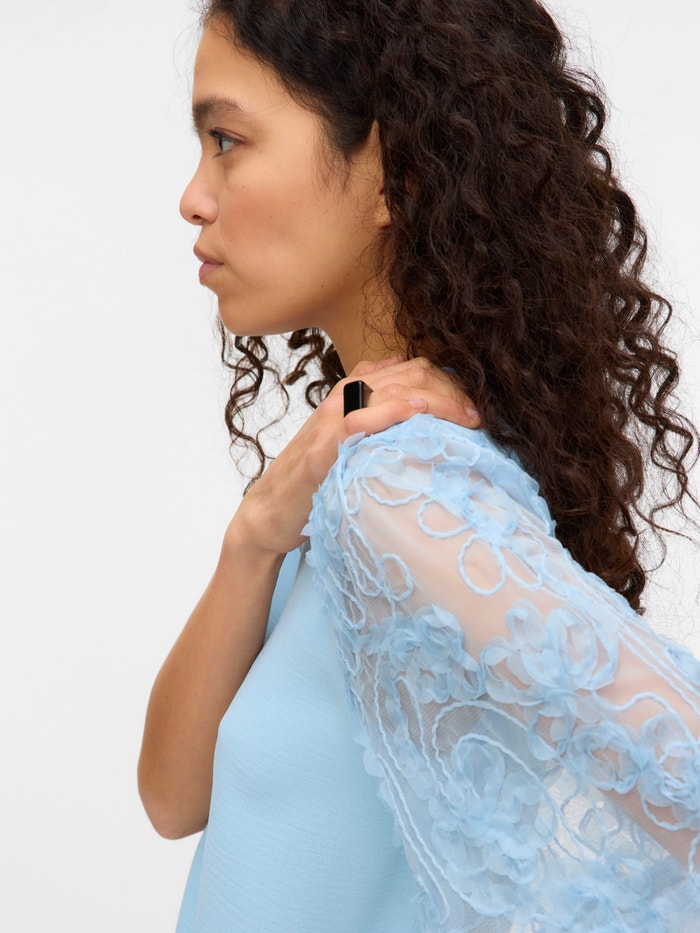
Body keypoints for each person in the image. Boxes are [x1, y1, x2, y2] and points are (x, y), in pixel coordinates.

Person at [138, 1, 700, 930]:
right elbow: (173, 796)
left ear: (393, 170)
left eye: (227, 140)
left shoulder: (399, 488)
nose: (194, 196)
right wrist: (255, 535)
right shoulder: (343, 483)